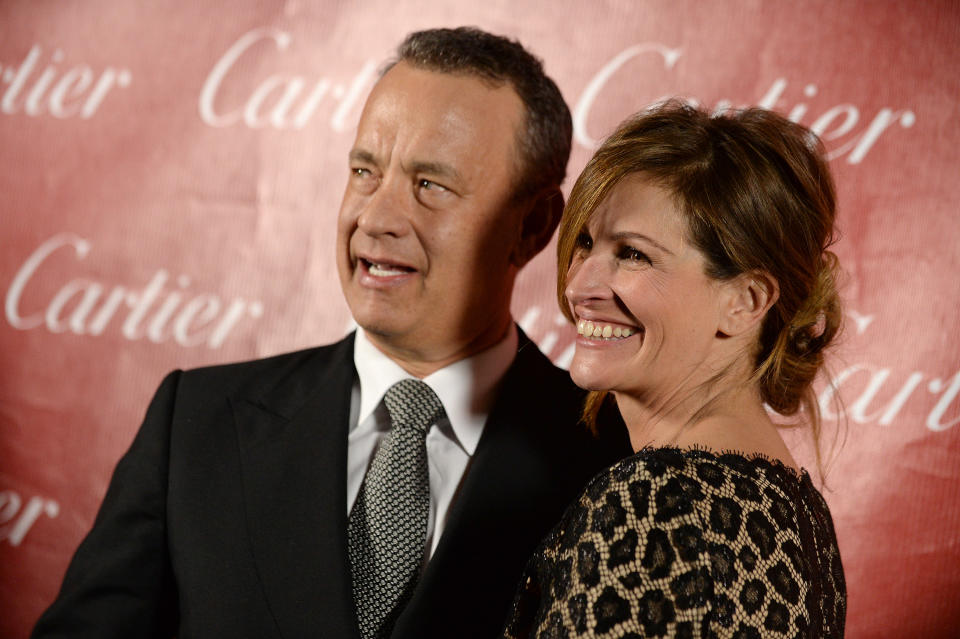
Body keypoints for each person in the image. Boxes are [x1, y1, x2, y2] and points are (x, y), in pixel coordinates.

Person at [32, 28, 630, 639]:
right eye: (365, 171)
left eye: (430, 186)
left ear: (533, 226)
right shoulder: (197, 424)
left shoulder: (611, 458)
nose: (375, 218)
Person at [503, 101, 847, 638]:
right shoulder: (799, 516)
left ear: (746, 301)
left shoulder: (650, 504)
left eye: (634, 254)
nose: (578, 288)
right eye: (586, 244)